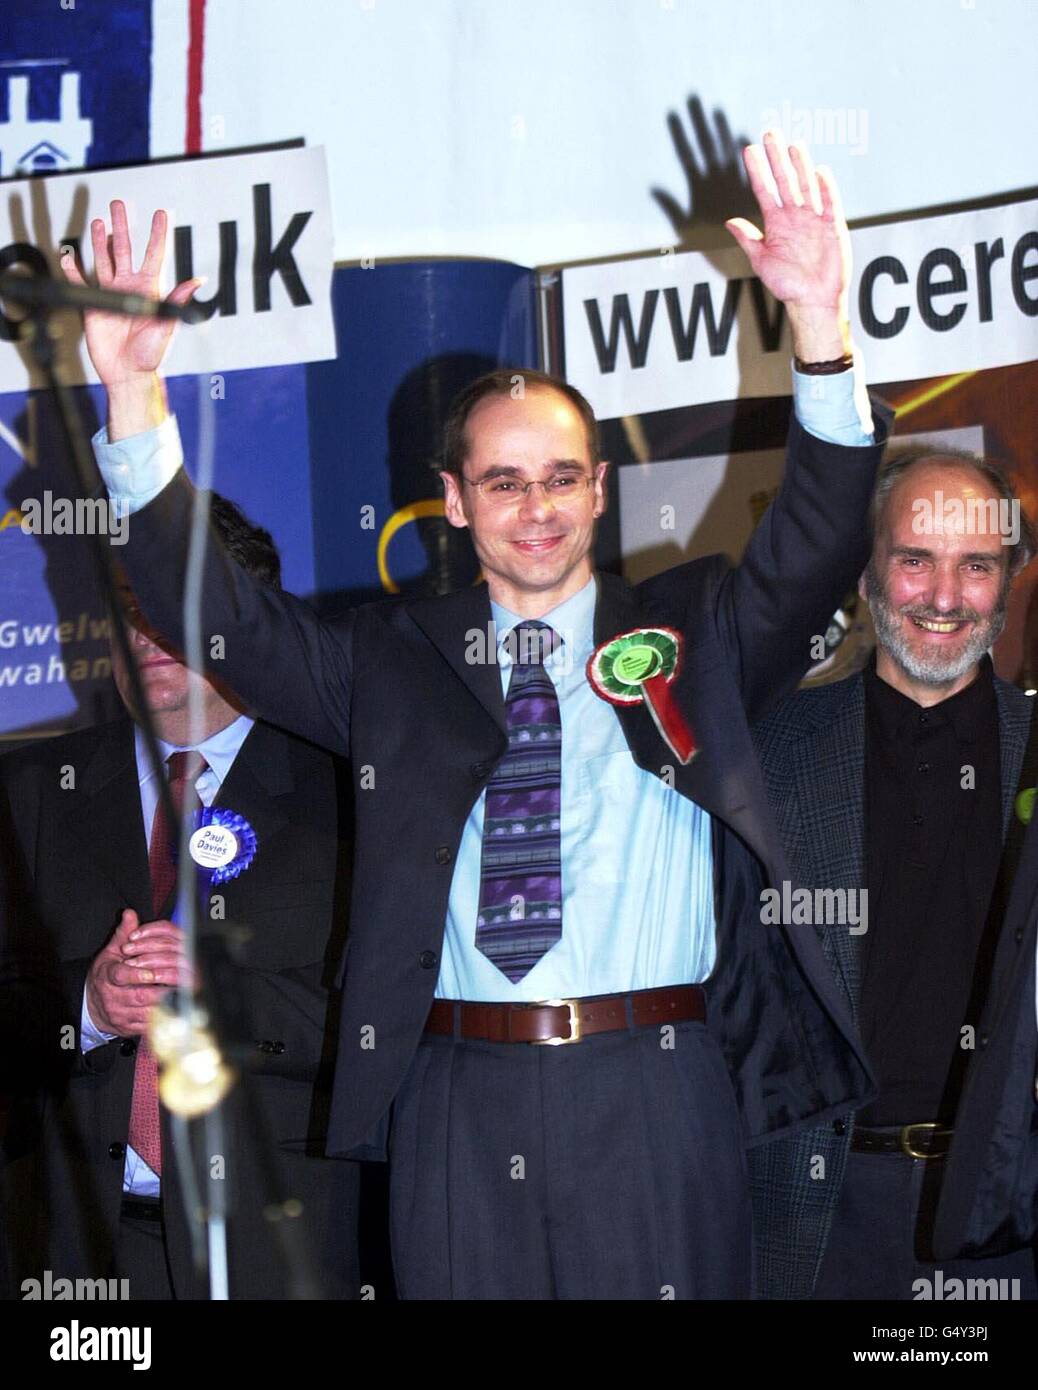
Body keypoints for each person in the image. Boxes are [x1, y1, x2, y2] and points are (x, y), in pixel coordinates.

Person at [69, 133, 890, 1299]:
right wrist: (136, 395)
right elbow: (227, 624)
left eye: (562, 476)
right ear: (453, 502)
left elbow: (819, 533)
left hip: (655, 1083)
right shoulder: (390, 660)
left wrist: (819, 322)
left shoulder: (697, 631)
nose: (538, 508)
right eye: (504, 481)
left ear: (600, 487)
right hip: (454, 1095)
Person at [0, 496, 359, 1300]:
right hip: (78, 1249)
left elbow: (394, 1023)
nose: (148, 630)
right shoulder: (28, 793)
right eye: (131, 606)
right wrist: (87, 1008)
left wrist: (226, 996)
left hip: (290, 1247)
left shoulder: (351, 789)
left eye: (178, 603)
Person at [750, 446, 1038, 1299]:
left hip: (1011, 1212)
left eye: (975, 565)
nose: (945, 598)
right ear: (867, 572)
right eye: (915, 559)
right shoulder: (769, 755)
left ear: (1010, 579)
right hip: (818, 1219)